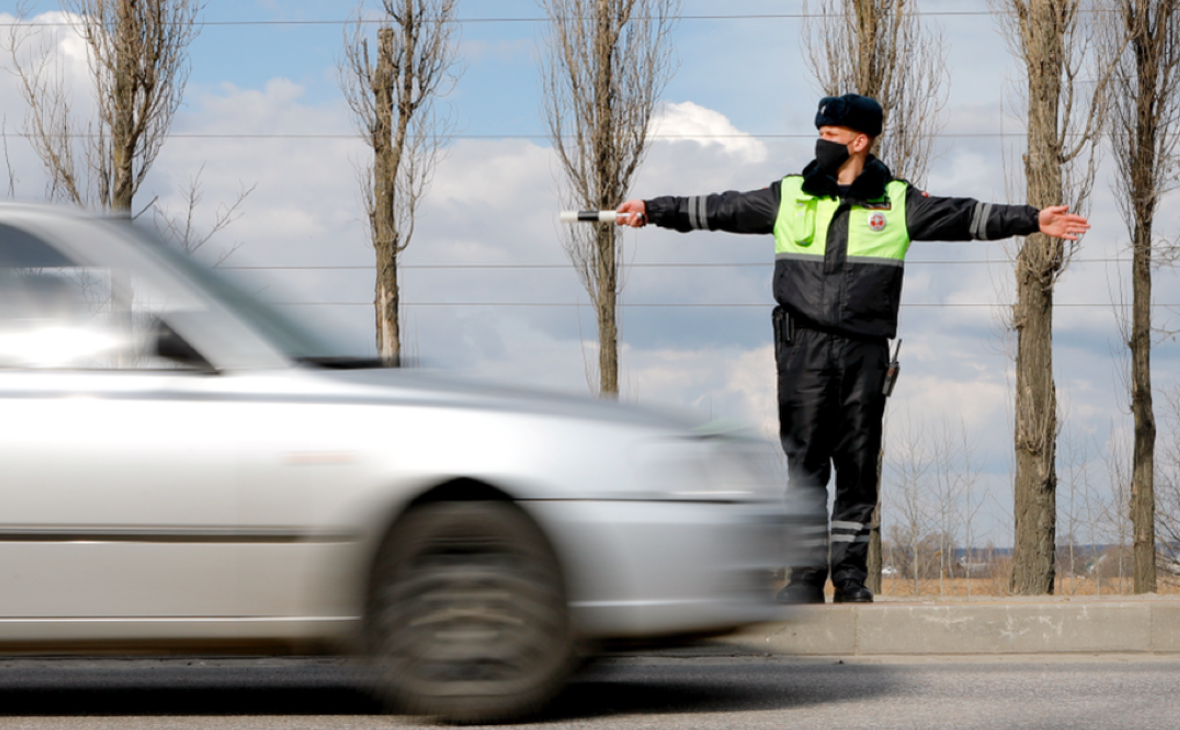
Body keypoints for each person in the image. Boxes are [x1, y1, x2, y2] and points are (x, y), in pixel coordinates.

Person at [616, 94, 1089, 604]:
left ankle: (850, 578)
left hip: (866, 353)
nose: (821, 144)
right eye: (820, 135)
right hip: (802, 351)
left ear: (859, 142)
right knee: (805, 466)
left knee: (857, 467)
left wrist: (1032, 219)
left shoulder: (897, 201)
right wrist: (654, 210)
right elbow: (717, 208)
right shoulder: (789, 195)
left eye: (831, 137)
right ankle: (802, 578)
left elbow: (965, 216)